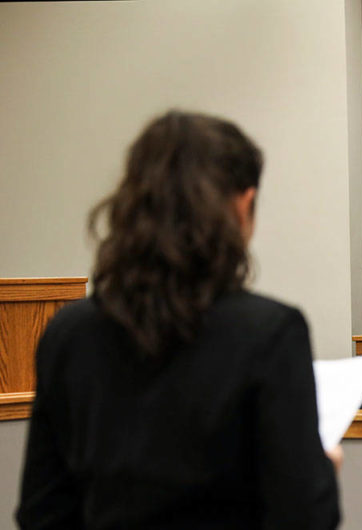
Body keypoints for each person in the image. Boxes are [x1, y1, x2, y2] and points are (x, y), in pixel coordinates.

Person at [16, 111, 341, 528]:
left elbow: (43, 513)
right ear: (242, 206)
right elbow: (301, 516)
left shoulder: (68, 333)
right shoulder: (269, 333)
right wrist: (323, 478)